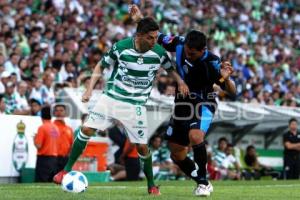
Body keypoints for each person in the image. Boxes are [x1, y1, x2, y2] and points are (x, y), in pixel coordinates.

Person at [53, 17, 189, 195]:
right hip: (112, 99)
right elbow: (100, 67)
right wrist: (88, 90)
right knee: (86, 130)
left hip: (136, 105)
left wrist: (180, 82)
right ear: (139, 35)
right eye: (150, 37)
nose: (155, 41)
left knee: (141, 146)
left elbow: (171, 70)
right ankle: (66, 170)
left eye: (156, 37)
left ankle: (151, 185)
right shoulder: (121, 47)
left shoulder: (159, 52)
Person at [130, 5, 236, 196]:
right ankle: (203, 180)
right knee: (176, 153)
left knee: (195, 136)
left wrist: (226, 79)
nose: (188, 54)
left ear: (202, 50)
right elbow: (156, 35)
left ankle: (203, 184)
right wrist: (139, 20)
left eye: (192, 53)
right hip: (182, 104)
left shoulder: (212, 62)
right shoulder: (179, 44)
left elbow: (231, 92)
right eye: (187, 50)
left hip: (203, 103)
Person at [34, 106, 60, 182]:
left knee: (41, 181)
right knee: (51, 182)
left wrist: (34, 139)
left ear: (41, 115)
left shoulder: (42, 128)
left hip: (44, 159)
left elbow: (38, 145)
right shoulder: (55, 127)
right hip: (54, 159)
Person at [53, 104, 74, 172]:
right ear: (54, 113)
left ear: (65, 113)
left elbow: (71, 144)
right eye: (57, 111)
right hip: (53, 158)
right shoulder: (51, 127)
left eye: (61, 110)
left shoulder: (69, 129)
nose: (59, 112)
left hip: (65, 158)